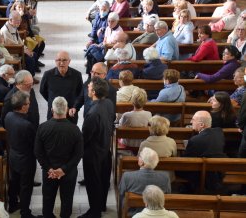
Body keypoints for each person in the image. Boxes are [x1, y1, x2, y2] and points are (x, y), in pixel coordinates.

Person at [35, 97, 83, 218]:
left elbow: (38, 152)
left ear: (52, 110)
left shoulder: (42, 128)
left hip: (49, 172)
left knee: (48, 199)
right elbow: (78, 154)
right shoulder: (75, 130)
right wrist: (64, 170)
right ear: (66, 110)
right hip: (69, 172)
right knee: (67, 200)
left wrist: (49, 169)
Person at [79, 77, 115, 218]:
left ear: (93, 92)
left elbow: (85, 135)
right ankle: (101, 205)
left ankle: (94, 212)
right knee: (104, 180)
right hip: (105, 148)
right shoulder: (109, 103)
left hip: (93, 153)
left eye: (88, 87)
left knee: (93, 182)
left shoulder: (93, 113)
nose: (87, 89)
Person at [5, 91, 38, 216]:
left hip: (13, 155)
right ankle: (25, 212)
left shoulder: (8, 116)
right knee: (26, 187)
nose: (29, 105)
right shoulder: (26, 125)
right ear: (23, 106)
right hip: (26, 160)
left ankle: (12, 204)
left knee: (14, 182)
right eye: (28, 103)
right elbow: (34, 144)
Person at [180, 111, 226, 193]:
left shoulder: (195, 140)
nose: (191, 122)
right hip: (219, 171)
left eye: (193, 120)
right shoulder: (219, 132)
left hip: (203, 174)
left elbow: (186, 160)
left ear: (201, 125)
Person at [119, 148, 171, 214]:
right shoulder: (165, 177)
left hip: (134, 212)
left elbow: (121, 193)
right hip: (157, 211)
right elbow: (168, 195)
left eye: (139, 156)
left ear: (142, 162)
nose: (138, 158)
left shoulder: (127, 176)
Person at [40, 51, 83, 123]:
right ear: (55, 61)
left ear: (69, 61)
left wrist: (75, 107)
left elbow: (80, 93)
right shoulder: (48, 75)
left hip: (70, 113)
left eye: (64, 60)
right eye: (59, 60)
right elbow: (42, 91)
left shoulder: (77, 75)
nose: (61, 63)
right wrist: (53, 101)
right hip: (53, 113)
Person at [0, 11, 38, 80]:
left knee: (34, 54)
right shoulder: (5, 30)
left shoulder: (13, 26)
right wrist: (24, 51)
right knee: (29, 60)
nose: (19, 23)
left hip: (19, 49)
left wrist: (26, 49)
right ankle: (29, 78)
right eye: (17, 21)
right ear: (11, 20)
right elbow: (11, 45)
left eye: (20, 20)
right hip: (12, 53)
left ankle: (31, 75)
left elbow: (20, 41)